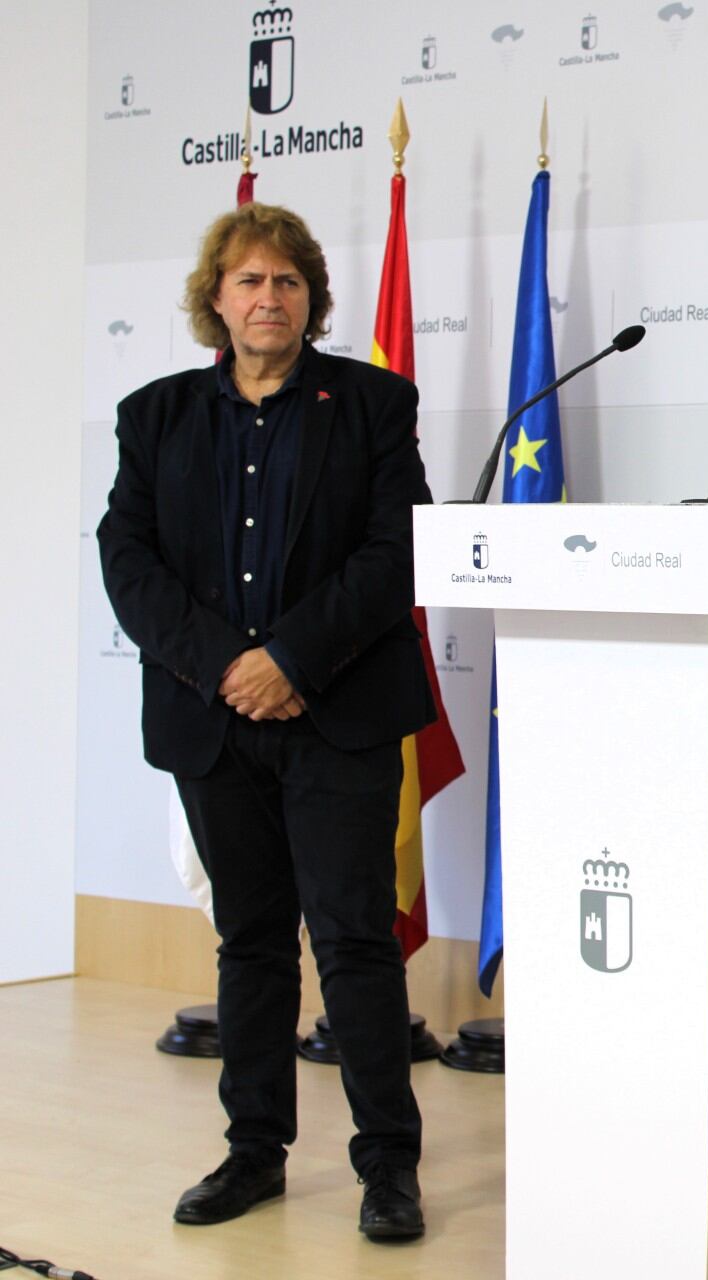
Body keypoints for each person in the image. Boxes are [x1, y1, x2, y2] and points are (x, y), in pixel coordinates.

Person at [97, 203, 436, 1242]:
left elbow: (393, 552)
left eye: (286, 281)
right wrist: (226, 667)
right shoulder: (154, 415)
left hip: (336, 715)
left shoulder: (374, 403)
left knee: (353, 941)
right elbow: (129, 558)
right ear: (217, 299)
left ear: (311, 299)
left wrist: (290, 659)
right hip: (214, 719)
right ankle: (255, 1153)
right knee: (248, 941)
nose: (268, 297)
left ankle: (388, 1167)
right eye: (248, 280)